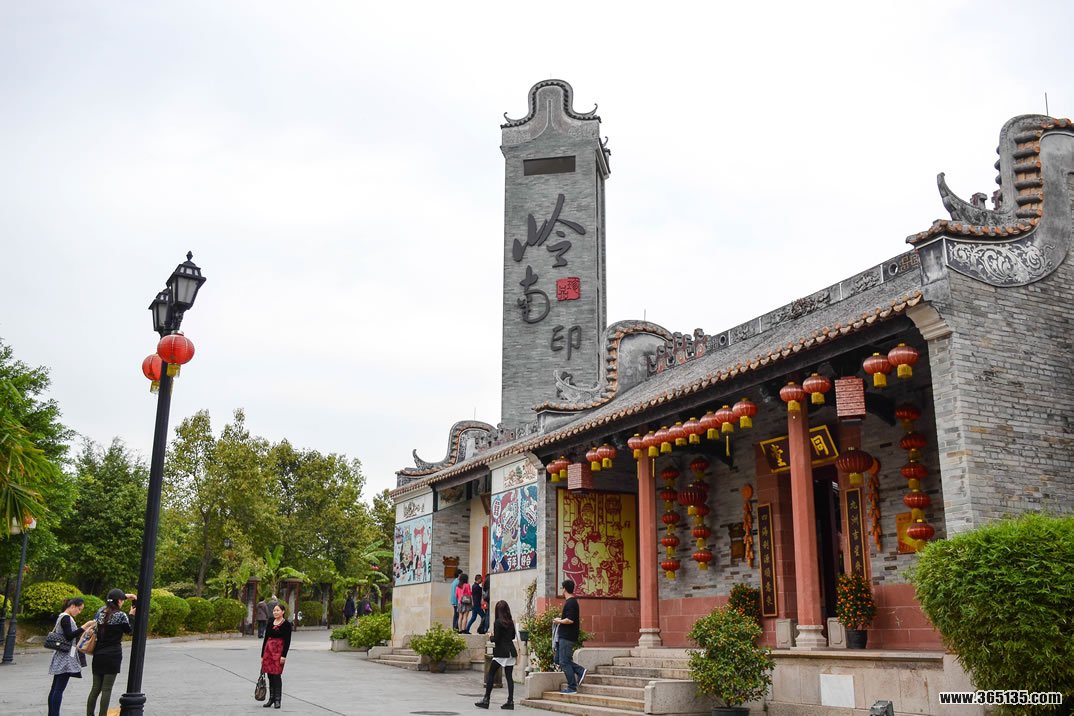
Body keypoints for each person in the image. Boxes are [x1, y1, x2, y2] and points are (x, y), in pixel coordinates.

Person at [88, 589, 136, 716]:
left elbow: (112, 600)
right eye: (122, 600)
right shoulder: (121, 615)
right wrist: (131, 615)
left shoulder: (100, 613)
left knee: (95, 689)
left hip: (98, 654)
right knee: (107, 689)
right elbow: (130, 631)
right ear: (119, 601)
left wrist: (124, 596)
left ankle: (89, 714)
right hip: (113, 655)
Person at [46, 597, 92, 716]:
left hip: (61, 655)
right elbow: (69, 636)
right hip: (65, 657)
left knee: (55, 688)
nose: (79, 612)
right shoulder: (66, 618)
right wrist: (84, 626)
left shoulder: (63, 617)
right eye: (79, 609)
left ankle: (52, 713)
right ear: (72, 606)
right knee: (58, 689)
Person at [475, 600, 519, 710]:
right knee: (509, 677)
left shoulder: (498, 622)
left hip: (501, 652)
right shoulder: (510, 622)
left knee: (491, 674)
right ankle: (510, 701)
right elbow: (513, 637)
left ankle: (486, 699)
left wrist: (490, 636)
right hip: (510, 651)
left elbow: (497, 639)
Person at [552, 579, 586, 694]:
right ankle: (580, 670)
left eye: (562, 588)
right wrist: (560, 620)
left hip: (567, 636)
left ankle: (572, 687)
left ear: (565, 589)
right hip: (563, 636)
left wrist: (559, 621)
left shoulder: (571, 603)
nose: (561, 590)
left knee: (564, 662)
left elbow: (570, 620)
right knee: (558, 659)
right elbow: (568, 618)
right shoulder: (570, 602)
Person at [260, 602, 292, 709]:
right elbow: (265, 639)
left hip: (279, 651)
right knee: (270, 675)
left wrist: (284, 655)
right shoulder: (270, 623)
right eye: (274, 610)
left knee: (277, 675)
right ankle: (271, 698)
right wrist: (262, 655)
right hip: (268, 651)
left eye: (278, 610)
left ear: (283, 612)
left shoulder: (286, 624)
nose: (275, 612)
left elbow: (287, 641)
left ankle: (278, 700)